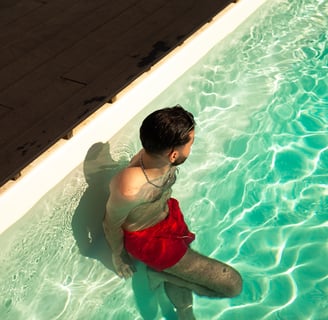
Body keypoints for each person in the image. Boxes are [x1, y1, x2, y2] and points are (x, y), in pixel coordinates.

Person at [103, 105, 242, 319]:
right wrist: (118, 256)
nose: (191, 149)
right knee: (233, 285)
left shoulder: (156, 152)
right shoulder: (130, 188)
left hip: (168, 217)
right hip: (149, 240)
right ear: (174, 154)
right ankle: (157, 274)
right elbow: (111, 223)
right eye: (191, 143)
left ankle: (179, 300)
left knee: (189, 265)